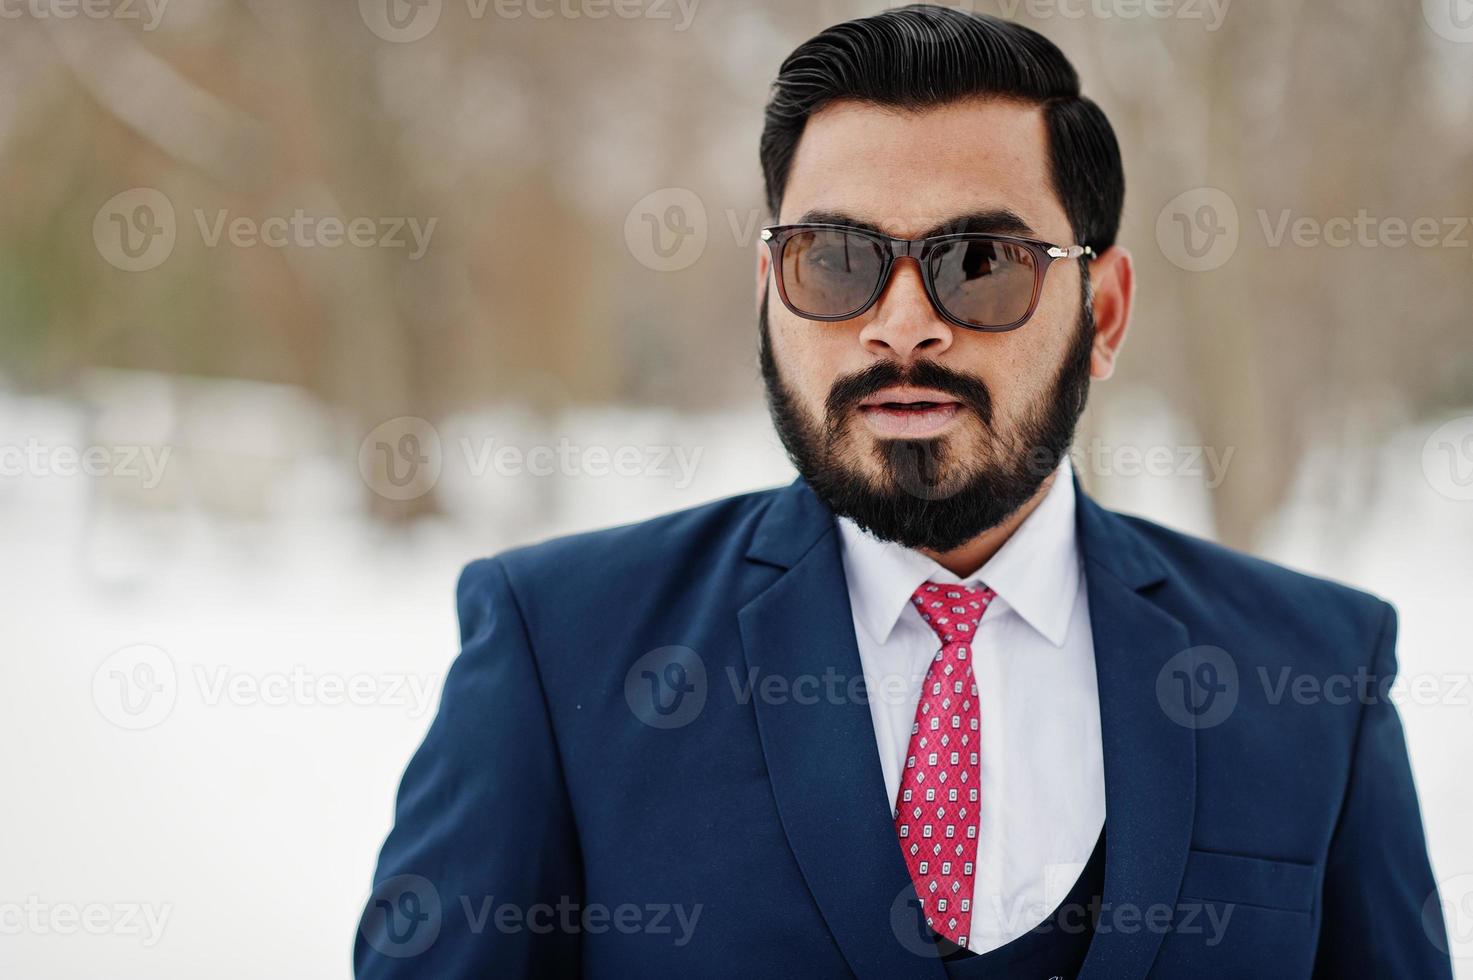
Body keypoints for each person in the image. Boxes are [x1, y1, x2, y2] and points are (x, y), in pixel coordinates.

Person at [356, 6, 1452, 977]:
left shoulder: (1312, 676)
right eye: (834, 258)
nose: (900, 322)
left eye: (979, 259)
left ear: (1104, 314)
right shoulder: (560, 652)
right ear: (767, 293)